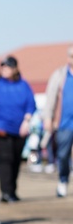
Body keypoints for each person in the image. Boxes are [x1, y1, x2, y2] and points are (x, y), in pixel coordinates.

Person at [0, 56, 36, 203]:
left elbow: (30, 105)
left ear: (15, 68)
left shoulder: (23, 85)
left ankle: (12, 191)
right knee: (5, 160)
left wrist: (26, 121)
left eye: (8, 66)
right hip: (0, 128)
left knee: (16, 160)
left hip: (19, 129)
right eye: (3, 66)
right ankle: (5, 192)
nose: (5, 69)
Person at [43, 44, 73, 197]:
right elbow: (50, 98)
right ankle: (63, 180)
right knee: (63, 154)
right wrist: (48, 118)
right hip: (64, 123)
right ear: (68, 58)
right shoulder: (60, 75)